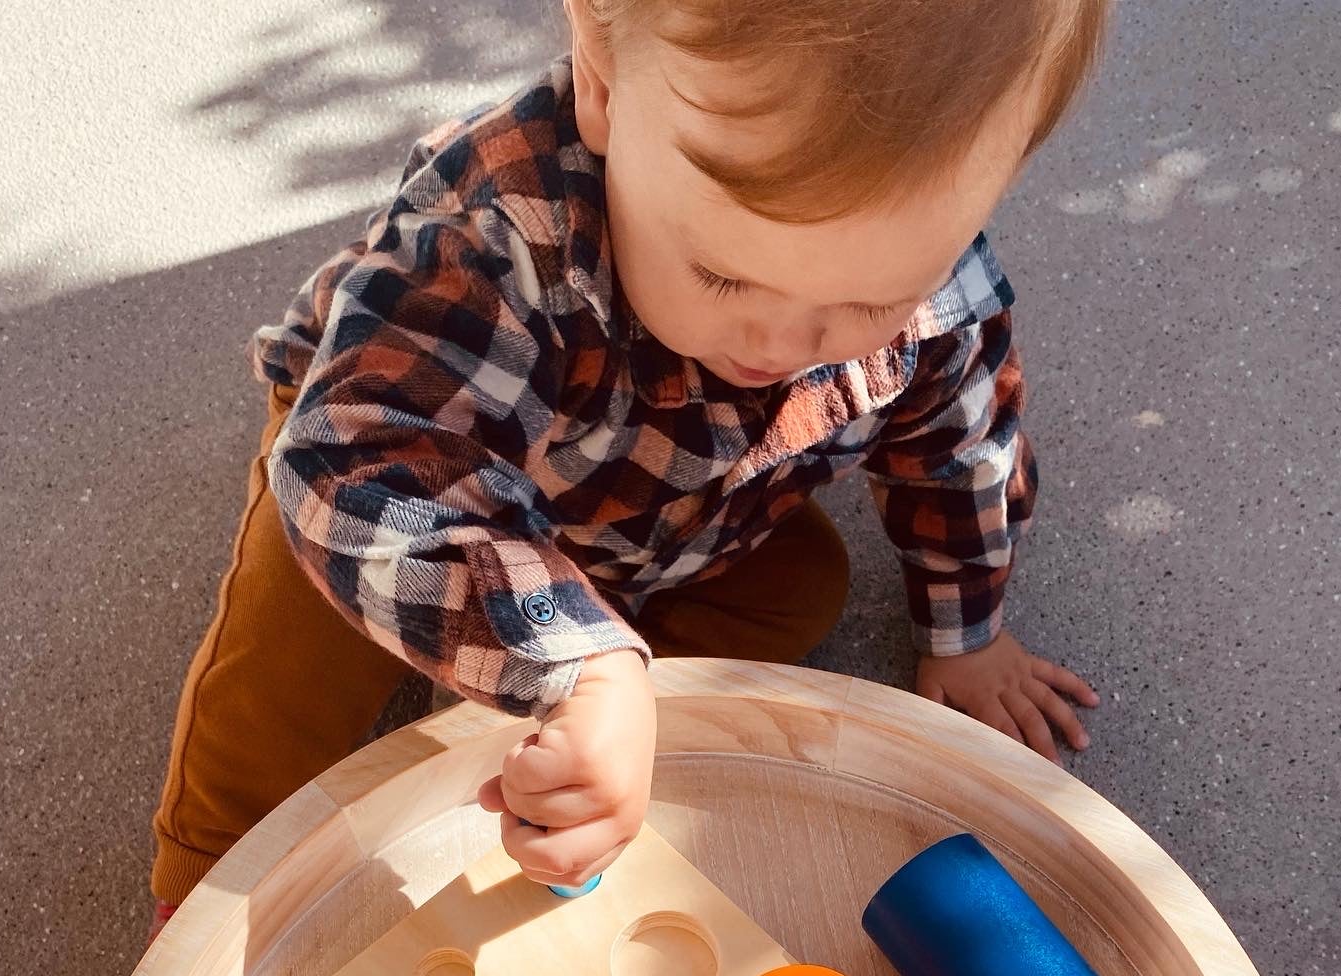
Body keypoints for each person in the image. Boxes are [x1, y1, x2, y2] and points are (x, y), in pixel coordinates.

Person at [151, 0, 1108, 924]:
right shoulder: (500, 233)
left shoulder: (936, 294)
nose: (783, 342)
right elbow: (362, 462)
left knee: (803, 587)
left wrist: (967, 634)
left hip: (655, 497)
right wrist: (577, 664)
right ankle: (215, 872)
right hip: (412, 428)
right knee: (300, 622)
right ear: (604, 84)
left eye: (870, 303)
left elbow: (962, 450)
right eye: (724, 273)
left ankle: (575, 709)